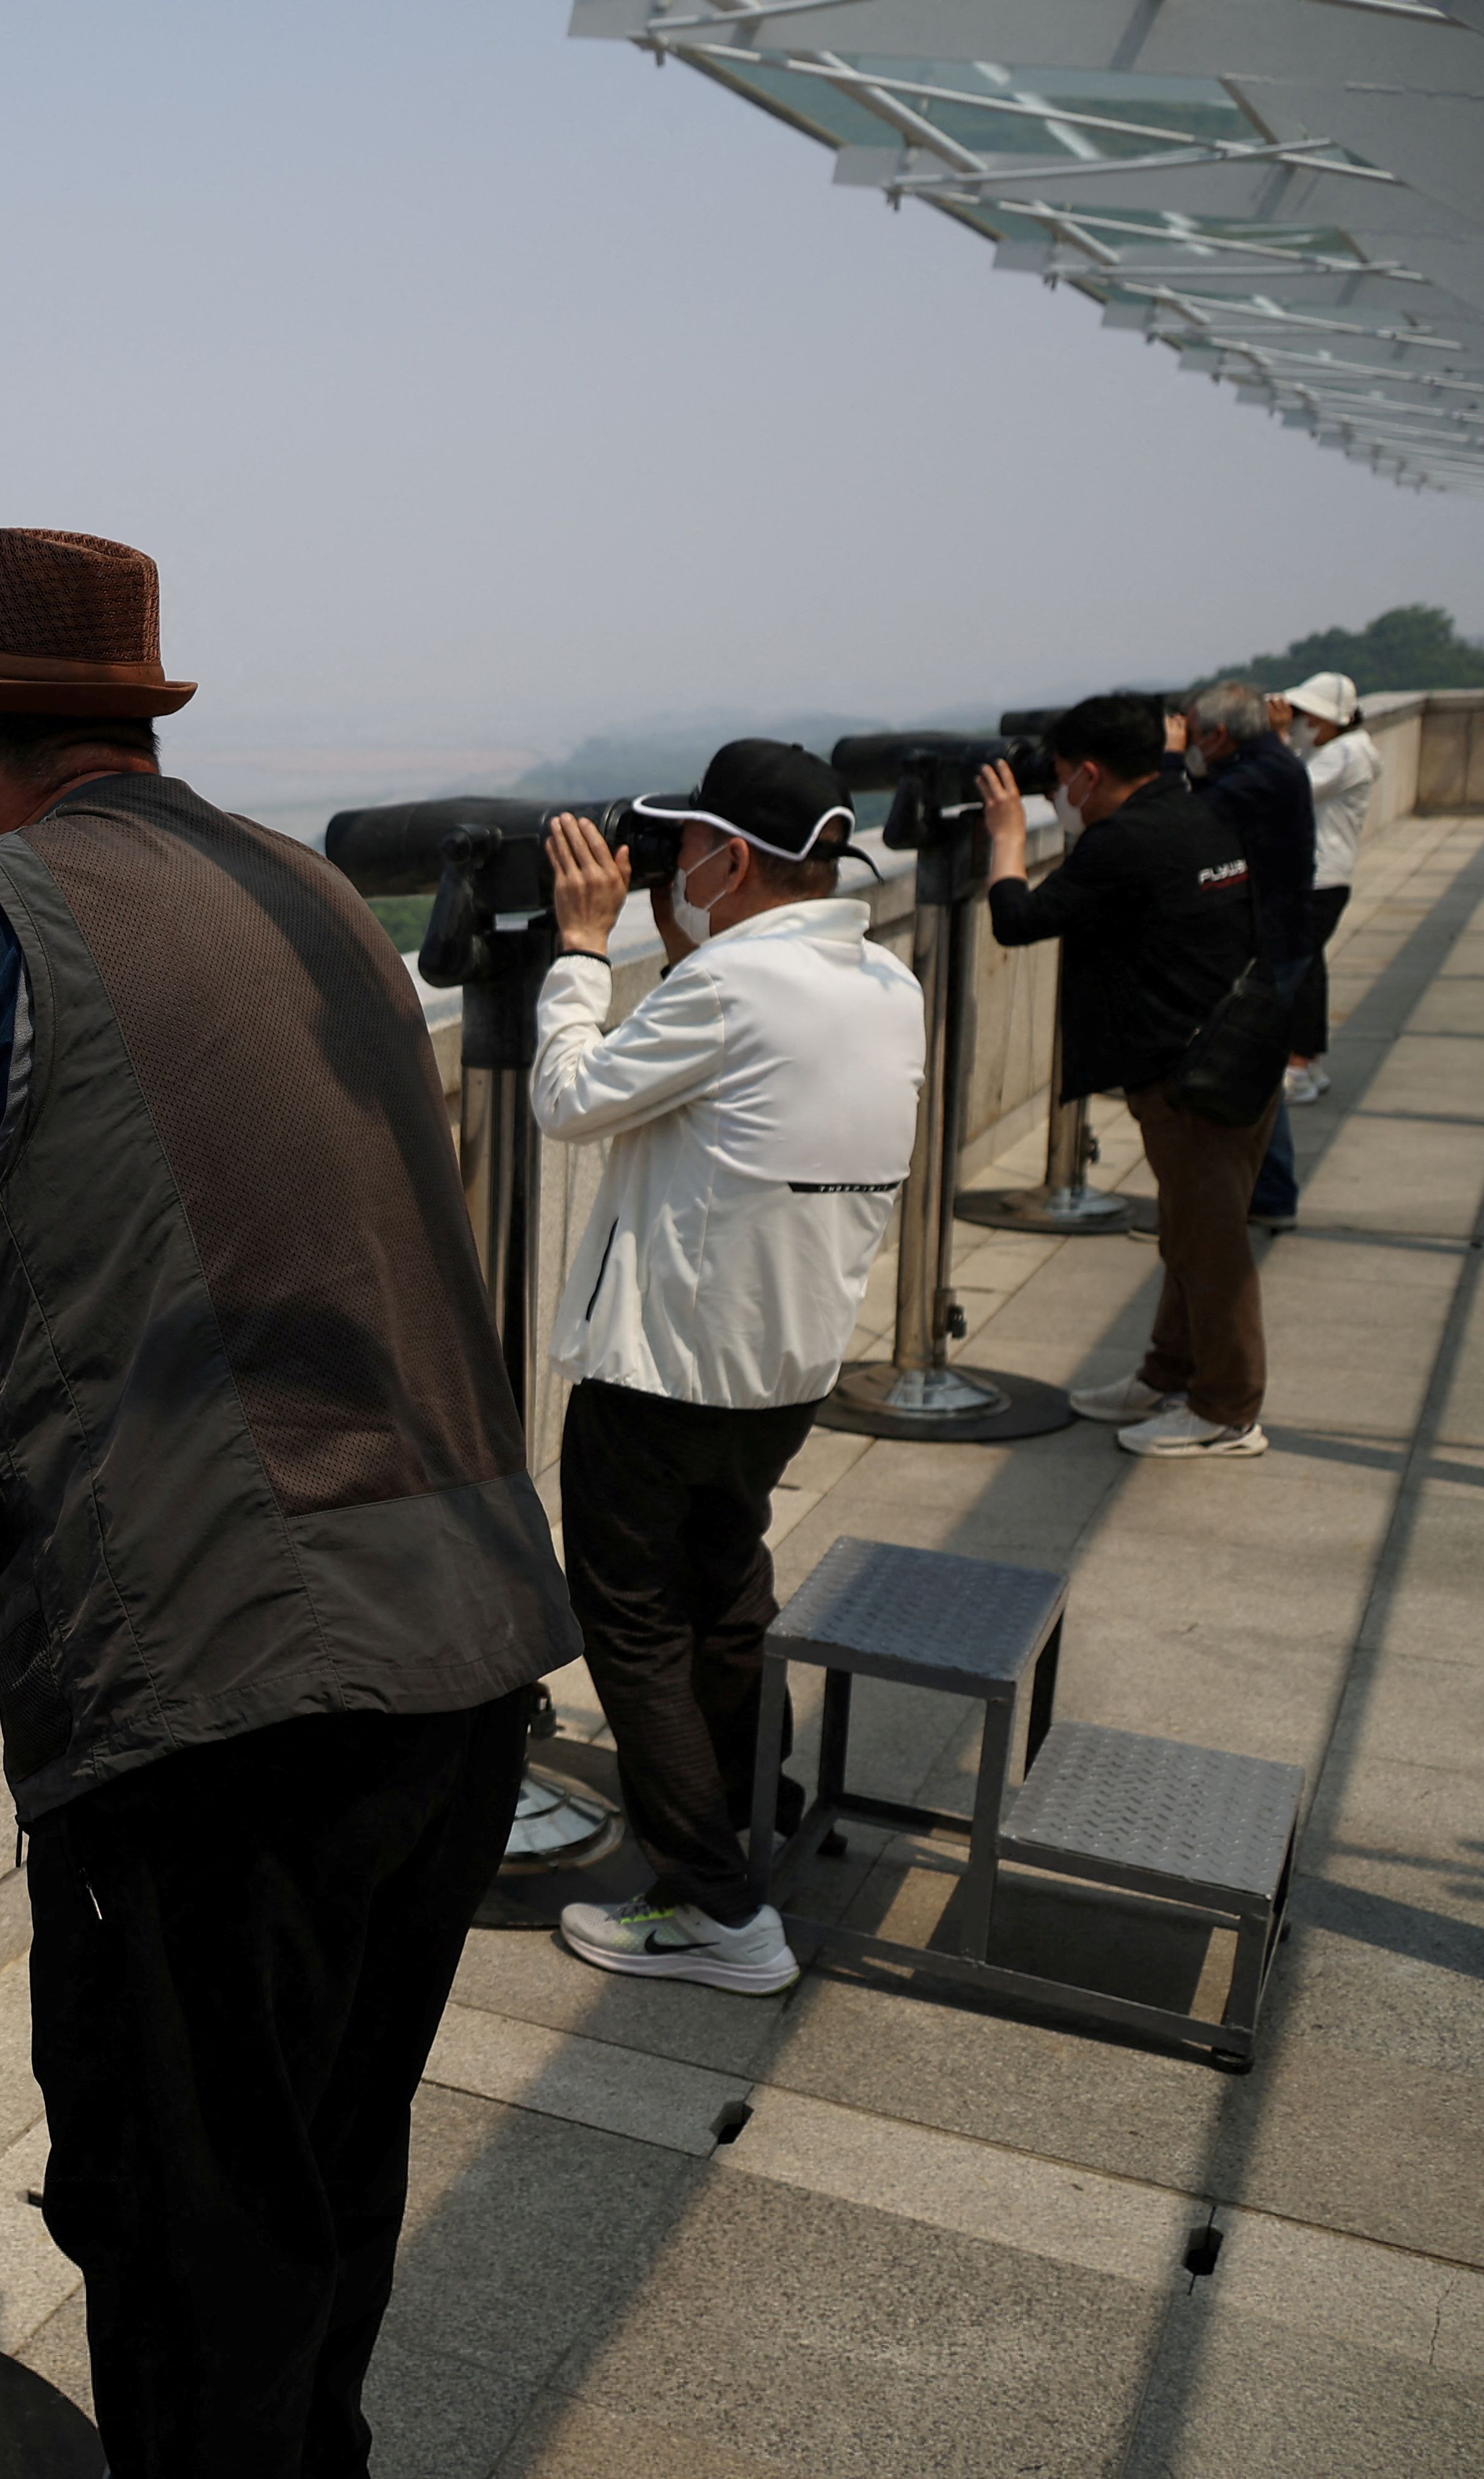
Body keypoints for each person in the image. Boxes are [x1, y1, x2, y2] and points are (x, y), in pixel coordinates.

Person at [0, 524, 576, 2477]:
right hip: (461, 1646)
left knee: (188, 2267)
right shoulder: (309, 889)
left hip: (218, 1707)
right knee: (321, 2209)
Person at [521, 742, 926, 1992]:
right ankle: (757, 1807)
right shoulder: (885, 979)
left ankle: (717, 1908)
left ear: (731, 857)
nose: (665, 873)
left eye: (678, 852)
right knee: (727, 1598)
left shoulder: (730, 990)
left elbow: (571, 1096)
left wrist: (584, 948)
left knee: (635, 1627)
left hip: (663, 1375)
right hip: (788, 1366)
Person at [978, 694, 1271, 1458]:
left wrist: (1008, 839)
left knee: (1210, 1246)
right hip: (1236, 1053)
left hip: (1190, 1074)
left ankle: (1227, 1410)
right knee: (1188, 1230)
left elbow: (1019, 920)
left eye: (1062, 775)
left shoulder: (1126, 841)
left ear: (1090, 773)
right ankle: (1168, 1373)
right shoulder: (1200, 810)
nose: (1057, 789)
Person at [1189, 679, 1319, 1231]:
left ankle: (1266, 1194)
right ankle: (1268, 1192)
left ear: (1219, 735)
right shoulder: (1271, 762)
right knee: (1258, 1072)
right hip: (1279, 940)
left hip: (1269, 945)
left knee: (1251, 1074)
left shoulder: (1258, 777)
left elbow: (1192, 823)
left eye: (1194, 734)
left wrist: (1175, 765)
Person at [1270, 671, 1379, 1102]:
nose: (1301, 723)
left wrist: (1276, 739)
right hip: (1324, 879)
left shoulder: (1346, 754)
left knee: (1296, 975)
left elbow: (1285, 790)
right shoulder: (1340, 750)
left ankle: (1298, 1068)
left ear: (1335, 719)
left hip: (1320, 880)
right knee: (1309, 972)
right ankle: (1309, 1064)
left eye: (1307, 715)